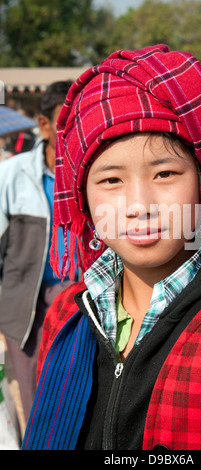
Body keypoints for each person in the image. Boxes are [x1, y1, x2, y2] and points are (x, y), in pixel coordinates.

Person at [22, 45, 201, 450]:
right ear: (83, 197)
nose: (139, 206)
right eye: (111, 181)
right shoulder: (67, 314)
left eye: (165, 173)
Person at [0, 80, 78, 423]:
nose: (76, 133)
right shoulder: (11, 175)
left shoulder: (95, 175)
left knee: (74, 400)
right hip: (23, 305)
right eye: (66, 122)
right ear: (45, 126)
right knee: (34, 405)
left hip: (79, 300)